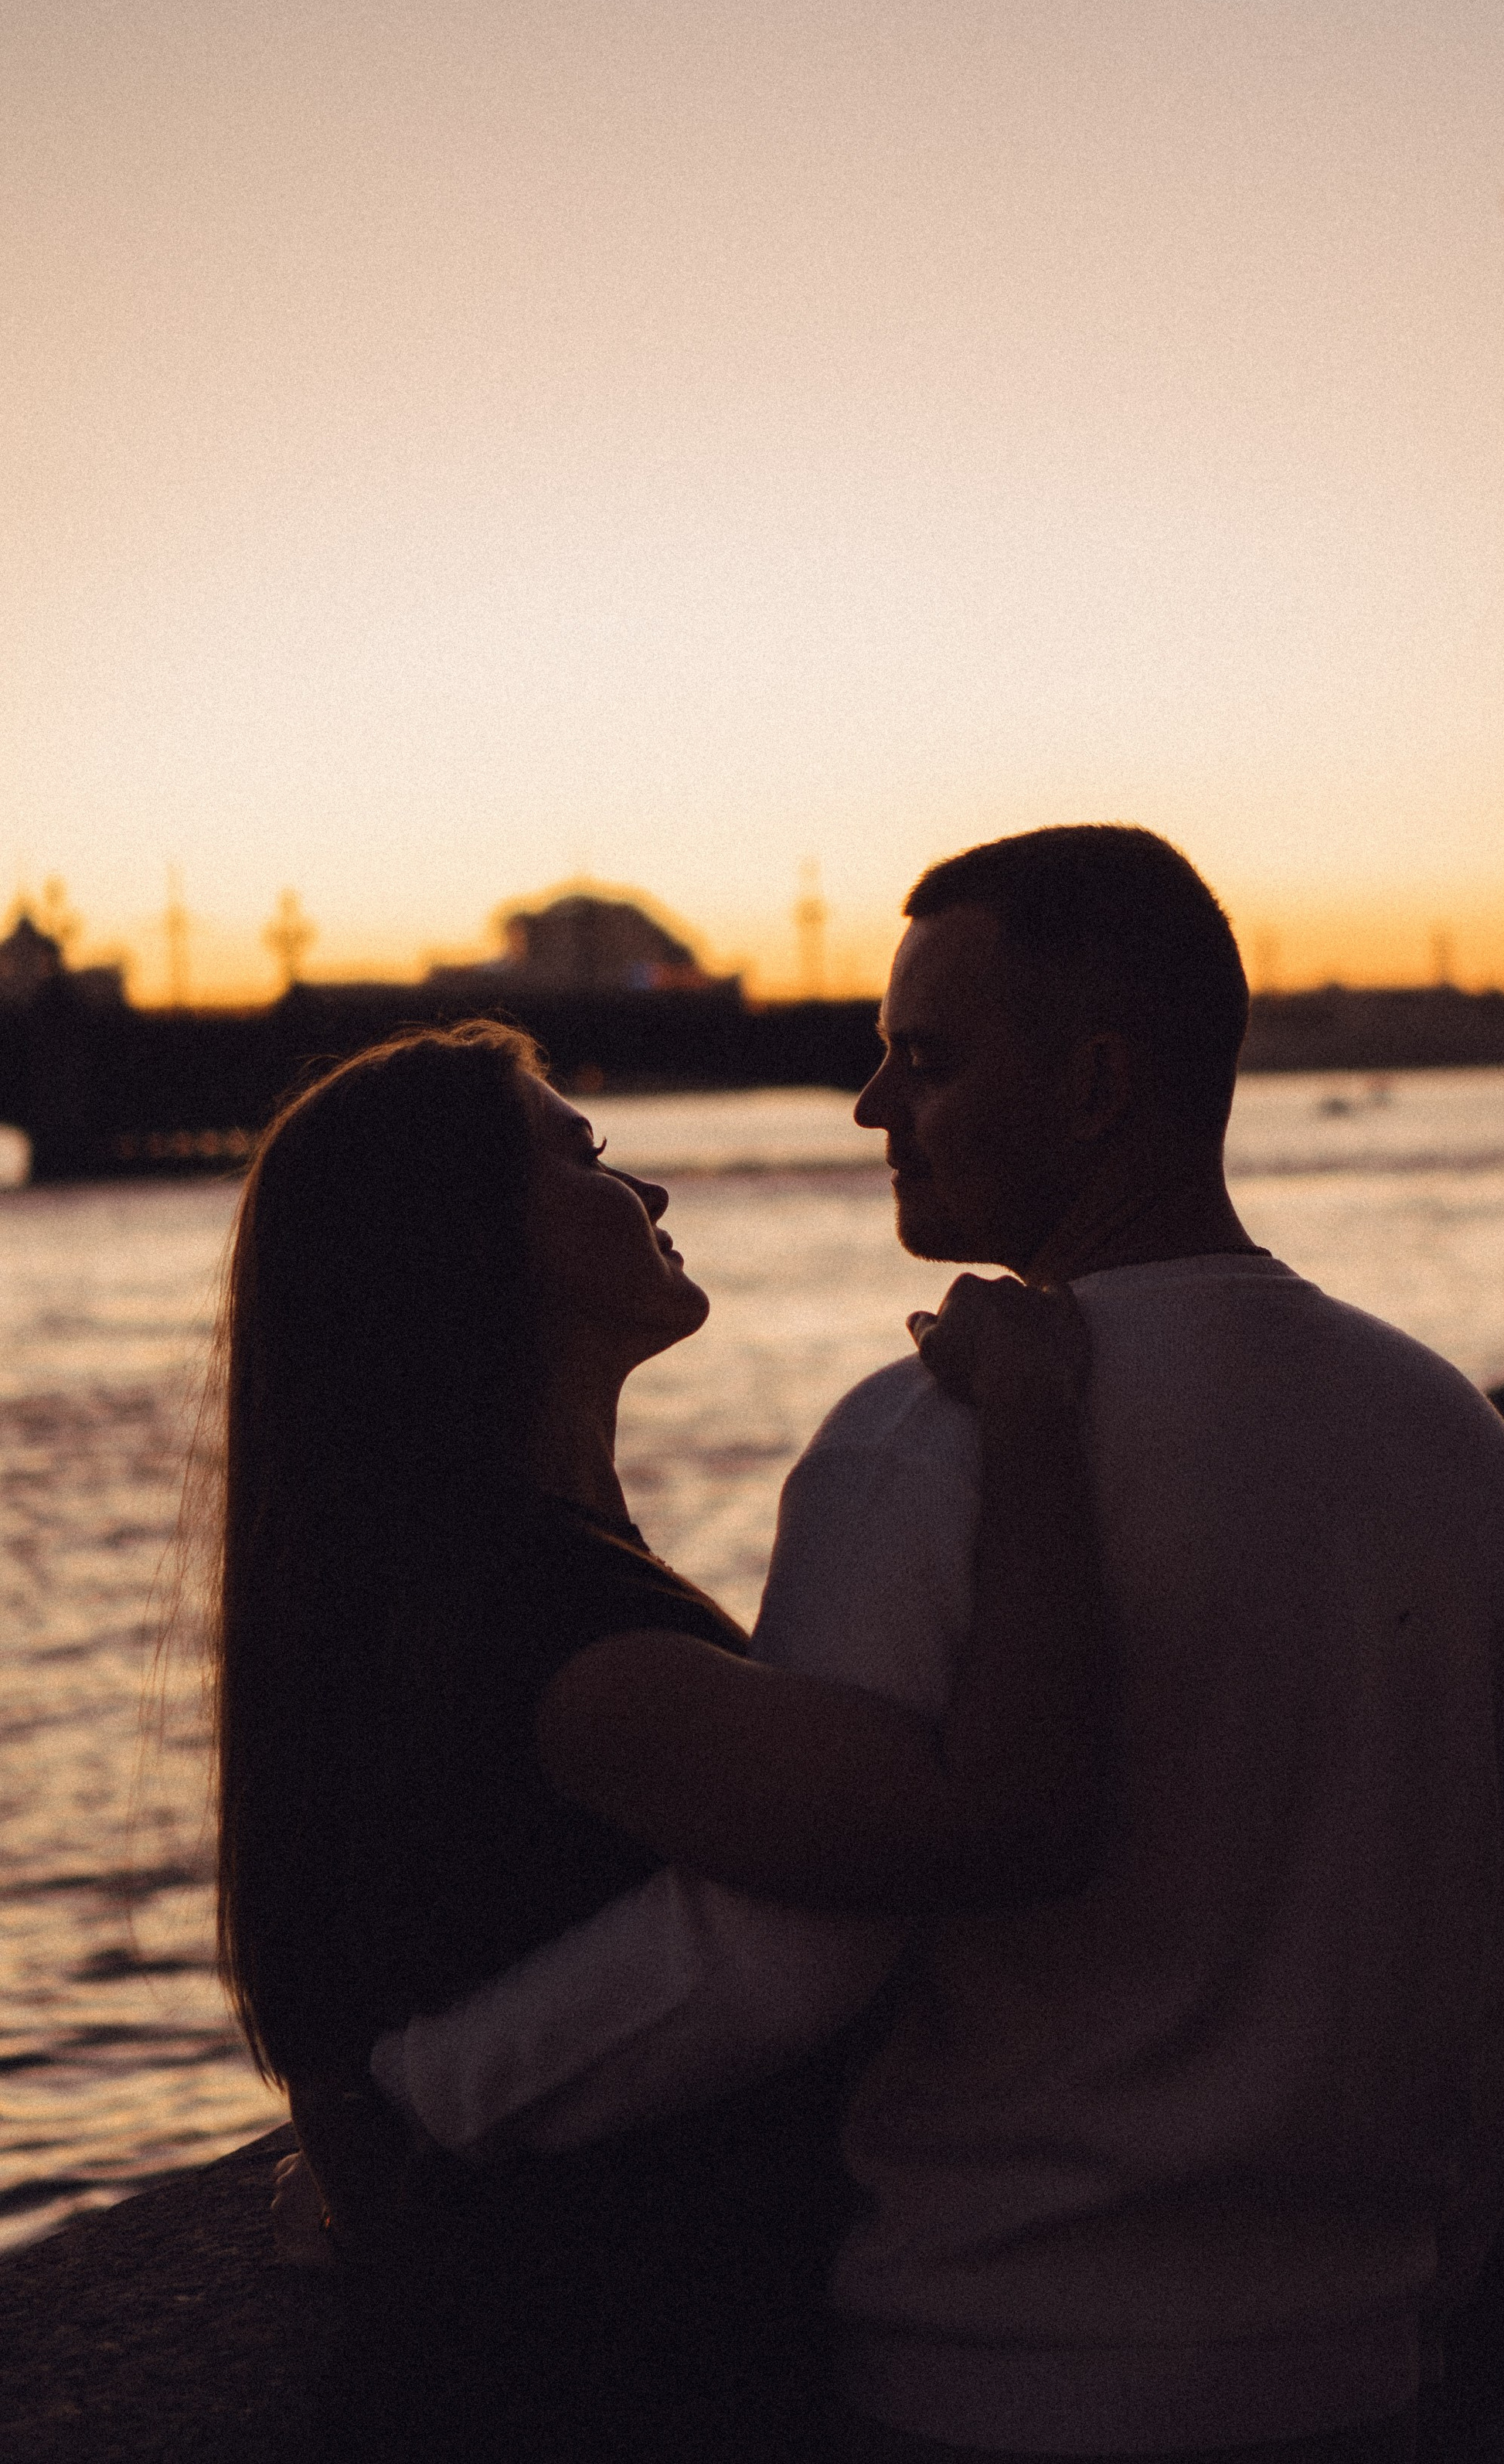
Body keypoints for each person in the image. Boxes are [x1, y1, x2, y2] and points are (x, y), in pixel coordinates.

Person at [370, 829, 1504, 2463]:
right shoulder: (1458, 1448)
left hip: (996, 2373)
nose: (872, 1108)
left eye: (923, 1061)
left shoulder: (920, 1443)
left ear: (1093, 1087)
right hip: (1352, 2369)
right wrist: (1416, 2308)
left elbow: (786, 1948)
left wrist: (429, 2097)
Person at [209, 1019, 1099, 2459]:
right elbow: (1006, 1821)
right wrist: (1042, 1426)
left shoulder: (483, 1577)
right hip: (604, 2391)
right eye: (592, 1158)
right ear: (468, 1242)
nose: (652, 1195)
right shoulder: (557, 1638)